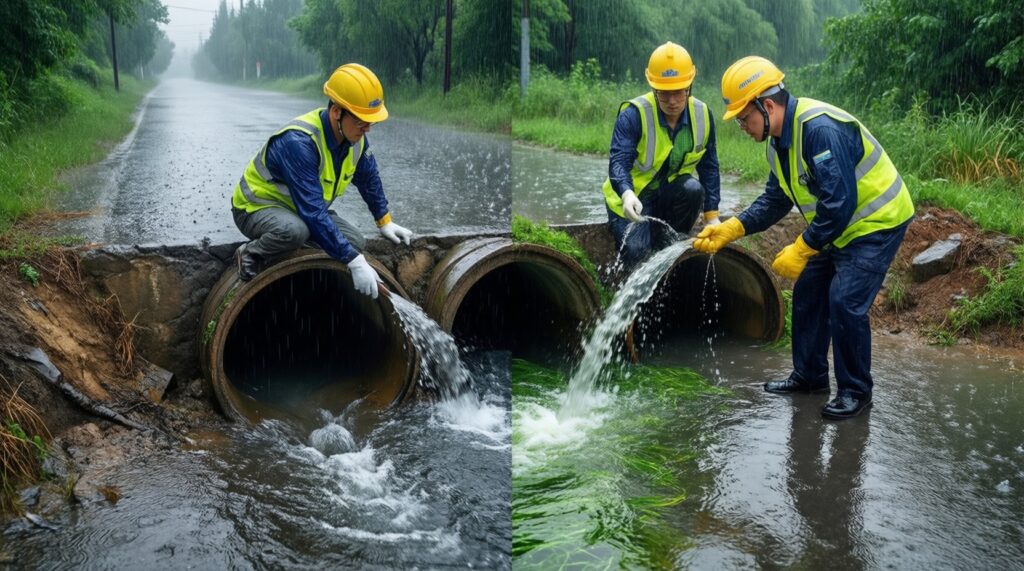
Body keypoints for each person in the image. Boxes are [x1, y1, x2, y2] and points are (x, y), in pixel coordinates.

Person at [693, 56, 914, 419]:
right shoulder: (777, 142)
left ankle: (856, 392)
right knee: (810, 290)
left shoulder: (818, 130)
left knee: (844, 301)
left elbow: (839, 203)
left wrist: (803, 247)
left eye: (744, 118)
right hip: (838, 228)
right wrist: (735, 227)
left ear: (767, 106)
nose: (742, 127)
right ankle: (810, 377)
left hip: (876, 223)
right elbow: (776, 199)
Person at [231, 63, 413, 299]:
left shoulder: (355, 139)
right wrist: (354, 262)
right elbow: (313, 211)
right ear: (337, 112)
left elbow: (369, 179)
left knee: (354, 241)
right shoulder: (299, 143)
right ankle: (251, 252)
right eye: (361, 121)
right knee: (295, 232)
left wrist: (384, 221)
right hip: (256, 208)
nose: (367, 129)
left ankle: (306, 249)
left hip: (301, 209)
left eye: (371, 122)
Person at [602, 41, 721, 270]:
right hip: (631, 200)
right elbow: (618, 162)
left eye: (679, 92)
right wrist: (626, 195)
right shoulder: (633, 115)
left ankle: (669, 245)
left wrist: (712, 215)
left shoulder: (702, 115)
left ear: (690, 86)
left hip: (670, 196)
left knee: (694, 190)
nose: (672, 101)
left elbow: (709, 166)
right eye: (664, 94)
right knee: (636, 251)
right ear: (654, 88)